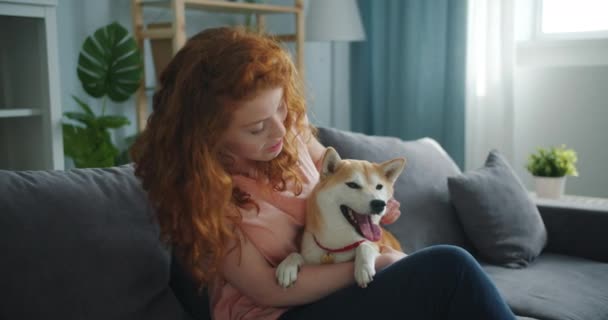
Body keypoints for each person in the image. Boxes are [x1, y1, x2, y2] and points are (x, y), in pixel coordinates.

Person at [131, 27, 516, 320]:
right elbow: (269, 290)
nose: (280, 132)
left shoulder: (290, 135)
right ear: (208, 136)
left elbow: (344, 181)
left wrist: (369, 206)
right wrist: (368, 264)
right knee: (451, 268)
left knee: (445, 282)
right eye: (256, 127)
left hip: (339, 284)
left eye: (280, 110)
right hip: (284, 311)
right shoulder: (203, 193)